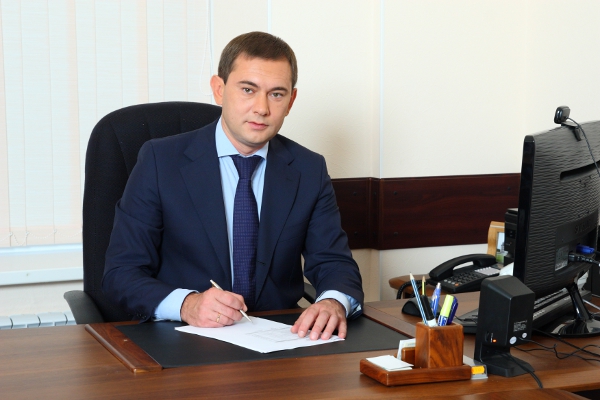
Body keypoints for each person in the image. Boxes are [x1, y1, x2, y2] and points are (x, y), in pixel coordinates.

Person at [103, 31, 363, 340]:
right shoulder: (160, 161)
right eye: (248, 90)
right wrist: (187, 304)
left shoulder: (309, 169)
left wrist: (334, 302)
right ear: (219, 89)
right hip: (185, 338)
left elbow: (334, 262)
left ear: (291, 101)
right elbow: (121, 274)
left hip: (279, 339)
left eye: (276, 94)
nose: (262, 108)